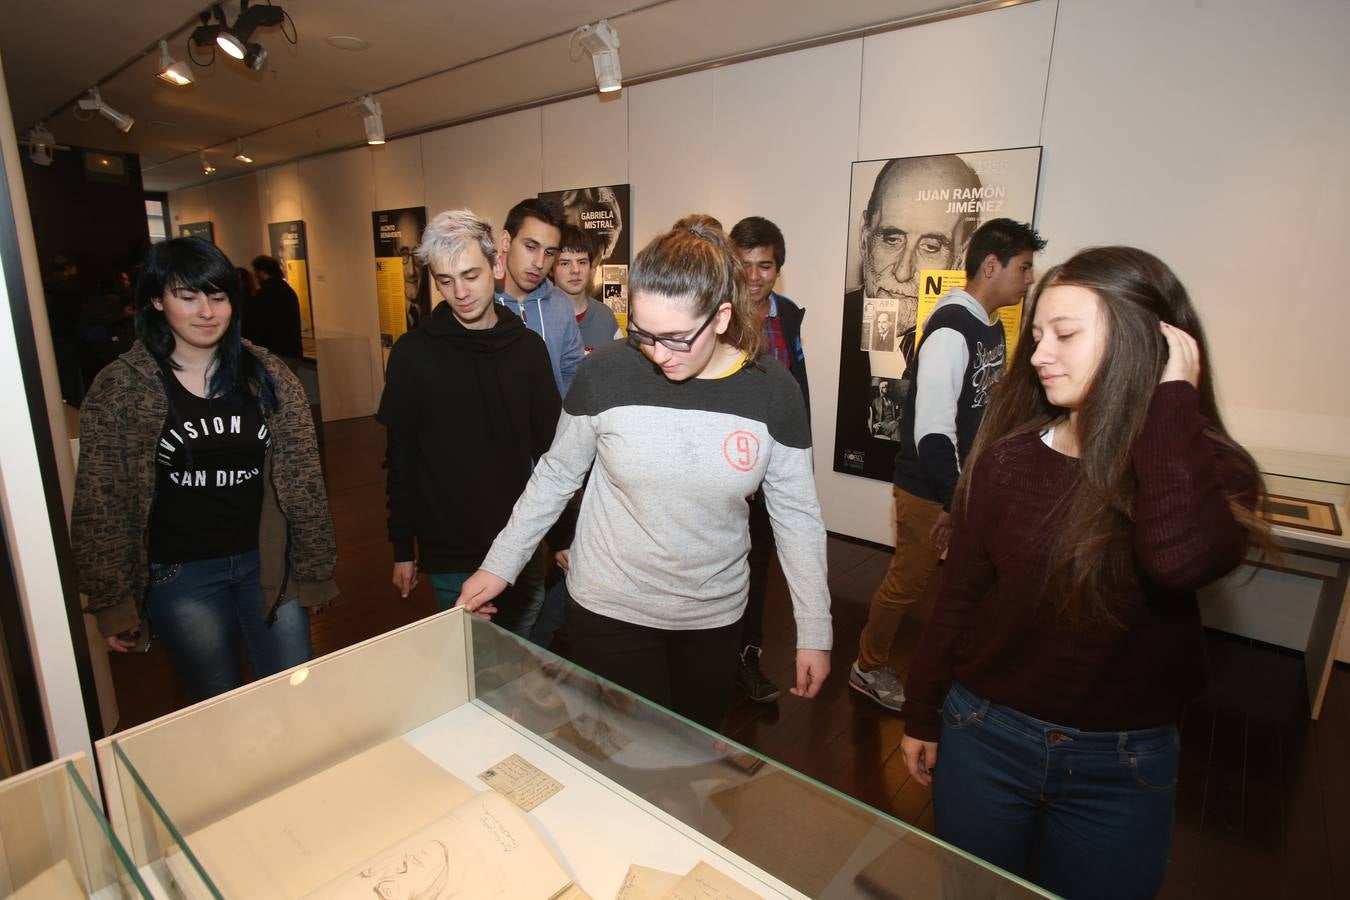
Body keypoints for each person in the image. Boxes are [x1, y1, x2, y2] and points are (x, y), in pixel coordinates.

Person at [898, 246, 1269, 899]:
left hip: (1122, 763)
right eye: (1038, 334)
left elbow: (1180, 560)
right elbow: (958, 598)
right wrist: (921, 712)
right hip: (986, 736)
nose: (1038, 354)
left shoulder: (1212, 472)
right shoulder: (1006, 461)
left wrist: (1170, 401)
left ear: (1147, 345)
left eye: (1065, 335)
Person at [457, 215, 832, 731]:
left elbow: (798, 516)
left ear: (721, 317)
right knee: (621, 755)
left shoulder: (772, 390)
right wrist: (499, 565)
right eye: (644, 333)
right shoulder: (606, 370)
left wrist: (814, 628)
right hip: (610, 607)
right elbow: (556, 475)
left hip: (713, 616)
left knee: (692, 753)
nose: (657, 353)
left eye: (676, 338)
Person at [71, 237, 336, 702]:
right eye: (188, 297)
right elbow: (102, 500)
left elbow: (304, 482)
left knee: (295, 691)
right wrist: (112, 601)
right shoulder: (123, 387)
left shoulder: (268, 374)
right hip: (181, 574)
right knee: (216, 701)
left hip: (266, 562)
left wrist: (315, 569)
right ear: (157, 301)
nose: (206, 312)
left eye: (218, 296)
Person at [851, 218, 1044, 711]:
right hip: (932, 490)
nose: (1029, 279)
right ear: (991, 265)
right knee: (907, 583)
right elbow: (933, 433)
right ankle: (867, 667)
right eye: (1023, 268)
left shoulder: (989, 324)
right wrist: (952, 500)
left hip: (963, 487)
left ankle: (960, 672)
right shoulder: (952, 330)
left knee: (967, 583)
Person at [377, 209, 560, 632]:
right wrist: (402, 547)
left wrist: (562, 537)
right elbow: (401, 459)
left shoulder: (528, 351)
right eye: (445, 280)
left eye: (470, 275)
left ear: (496, 266)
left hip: (518, 541)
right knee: (474, 659)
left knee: (522, 652)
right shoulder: (412, 354)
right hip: (450, 549)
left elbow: (552, 455)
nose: (459, 292)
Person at [834, 155, 983, 478]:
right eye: (891, 238)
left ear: (962, 256)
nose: (903, 271)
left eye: (931, 246)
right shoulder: (830, 328)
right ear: (864, 236)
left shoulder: (970, 343)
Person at [727, 215, 811, 703]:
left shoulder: (789, 315)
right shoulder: (716, 314)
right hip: (725, 469)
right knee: (719, 563)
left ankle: (747, 657)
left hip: (772, 470)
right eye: (746, 264)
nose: (755, 276)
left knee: (758, 567)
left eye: (766, 265)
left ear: (778, 268)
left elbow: (799, 389)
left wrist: (803, 457)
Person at [494, 198, 585, 397]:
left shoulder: (560, 304)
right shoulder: (480, 304)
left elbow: (573, 372)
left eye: (550, 252)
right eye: (531, 247)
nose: (540, 263)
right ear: (506, 241)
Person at [554, 225, 621, 355]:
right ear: (550, 269)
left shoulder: (606, 317)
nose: (575, 270)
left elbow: (621, 364)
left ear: (591, 266)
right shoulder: (538, 318)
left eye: (582, 262)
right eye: (565, 263)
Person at [246, 254, 304, 362]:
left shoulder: (266, 293)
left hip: (275, 352)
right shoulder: (287, 290)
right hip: (290, 350)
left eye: (256, 272)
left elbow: (260, 323)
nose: (255, 275)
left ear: (262, 272)